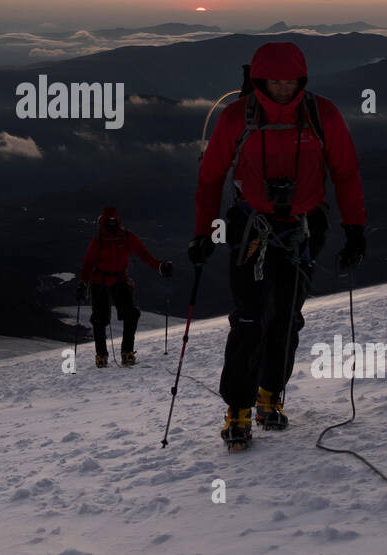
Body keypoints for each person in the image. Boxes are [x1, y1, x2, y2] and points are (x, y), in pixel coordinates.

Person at [188, 42, 367, 449]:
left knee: (286, 318)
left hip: (303, 229)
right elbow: (210, 177)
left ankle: (271, 397)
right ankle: (239, 408)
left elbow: (345, 171)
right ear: (259, 80)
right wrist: (203, 232)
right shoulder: (239, 116)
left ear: (301, 80)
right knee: (250, 319)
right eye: (274, 81)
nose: (283, 88)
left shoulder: (322, 115)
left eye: (290, 81)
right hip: (254, 229)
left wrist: (355, 227)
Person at [76, 206, 173, 368]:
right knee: (101, 319)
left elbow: (144, 254)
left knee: (129, 314)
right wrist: (83, 283)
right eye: (109, 221)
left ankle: (120, 353)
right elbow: (88, 264)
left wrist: (159, 266)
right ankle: (106, 355)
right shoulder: (109, 239)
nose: (112, 224)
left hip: (114, 278)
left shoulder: (115, 238)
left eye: (114, 221)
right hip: (103, 280)